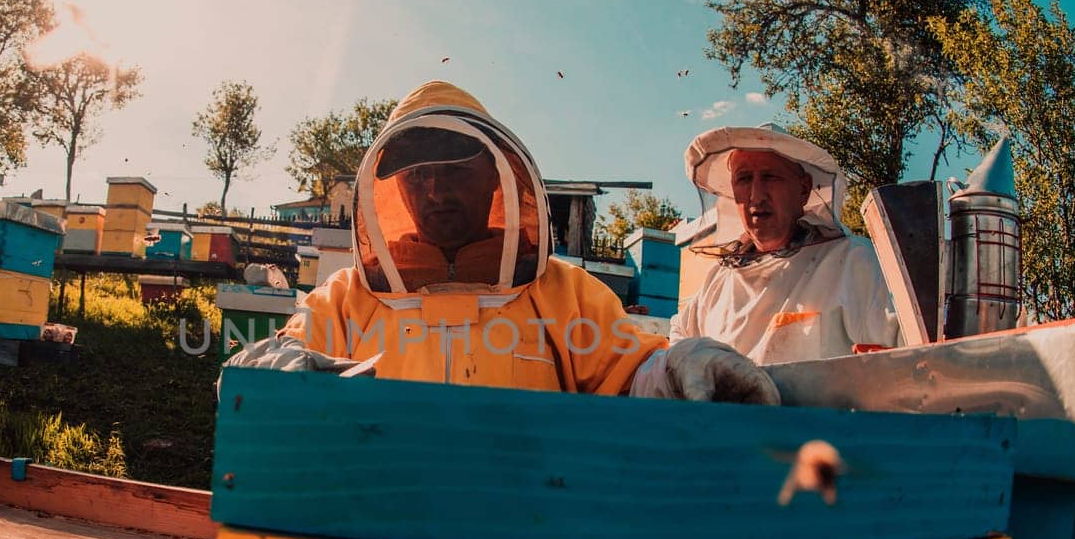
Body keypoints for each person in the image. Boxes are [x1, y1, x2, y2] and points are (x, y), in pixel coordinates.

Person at [228, 81, 778, 404]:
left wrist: (681, 366)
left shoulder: (562, 293)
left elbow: (630, 374)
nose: (436, 188)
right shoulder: (348, 298)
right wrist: (271, 369)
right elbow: (290, 349)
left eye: (454, 169)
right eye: (417, 176)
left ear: (496, 177)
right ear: (393, 190)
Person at [671, 124, 901, 365]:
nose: (756, 195)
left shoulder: (854, 262)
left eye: (770, 177)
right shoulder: (717, 280)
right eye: (744, 179)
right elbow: (678, 343)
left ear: (803, 188)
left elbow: (905, 353)